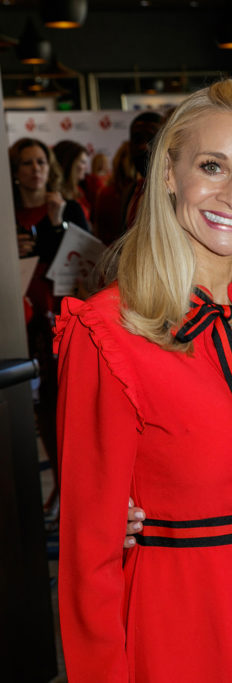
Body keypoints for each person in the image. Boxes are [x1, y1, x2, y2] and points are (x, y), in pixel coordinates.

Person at [56, 79, 232, 682]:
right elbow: (88, 558)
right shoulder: (108, 332)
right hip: (181, 635)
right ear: (170, 175)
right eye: (212, 166)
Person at [10, 137, 90, 506]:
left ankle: (76, 488)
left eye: (41, 161)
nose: (35, 169)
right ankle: (58, 483)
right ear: (15, 171)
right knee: (41, 404)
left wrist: (57, 226)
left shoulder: (68, 207)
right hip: (21, 313)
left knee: (70, 401)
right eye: (27, 163)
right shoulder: (8, 214)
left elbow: (87, 259)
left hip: (62, 311)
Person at [54, 139, 92, 221]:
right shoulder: (56, 196)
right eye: (82, 162)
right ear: (69, 163)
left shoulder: (78, 190)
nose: (86, 168)